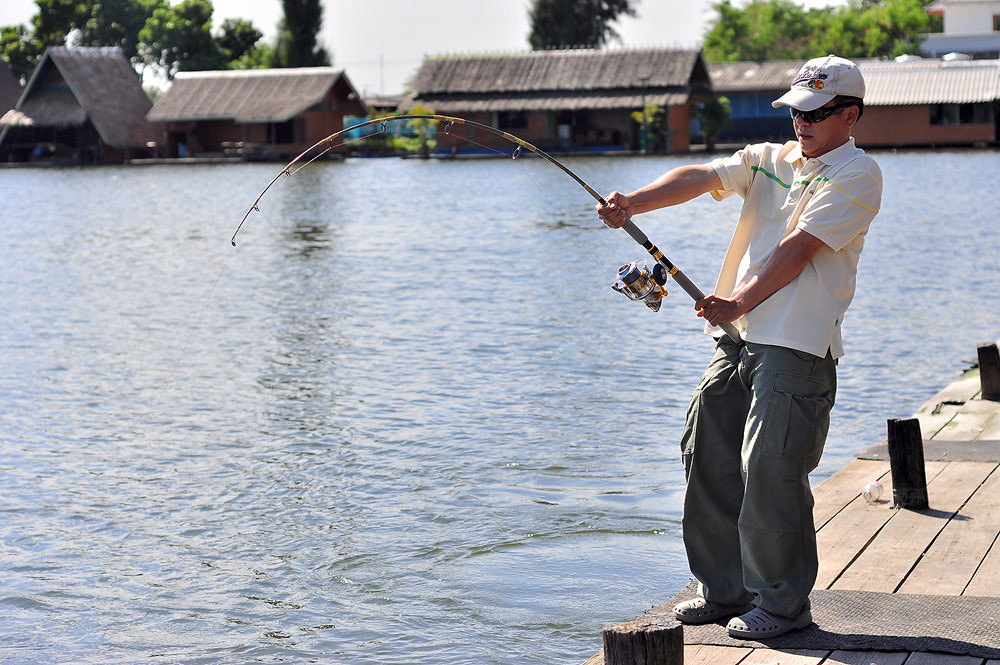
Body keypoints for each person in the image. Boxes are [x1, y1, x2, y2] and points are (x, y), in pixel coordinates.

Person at [596, 55, 882, 639]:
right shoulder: (769, 160)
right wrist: (633, 204)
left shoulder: (857, 174)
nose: (801, 122)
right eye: (796, 110)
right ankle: (724, 591)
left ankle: (782, 606)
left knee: (770, 468)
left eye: (816, 112)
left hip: (796, 346)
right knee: (706, 448)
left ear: (849, 115)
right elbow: (702, 178)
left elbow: (798, 250)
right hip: (738, 339)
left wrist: (738, 302)